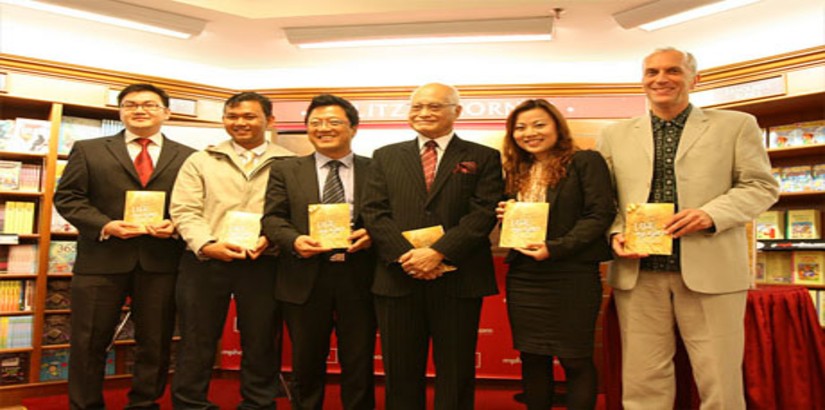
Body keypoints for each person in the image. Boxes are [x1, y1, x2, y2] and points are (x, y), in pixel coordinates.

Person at [596, 47, 779, 409]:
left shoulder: (736, 125)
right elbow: (604, 200)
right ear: (642, 81)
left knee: (719, 378)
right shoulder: (613, 134)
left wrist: (711, 214)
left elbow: (762, 186)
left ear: (695, 79)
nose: (660, 79)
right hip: (639, 271)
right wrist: (616, 232)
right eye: (651, 72)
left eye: (672, 71)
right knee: (643, 379)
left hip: (712, 270)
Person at [361, 83, 504, 410]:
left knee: (456, 370)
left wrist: (437, 252)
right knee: (400, 370)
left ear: (457, 111)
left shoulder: (482, 157)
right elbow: (374, 211)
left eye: (434, 106)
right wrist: (407, 257)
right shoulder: (385, 156)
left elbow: (483, 213)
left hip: (458, 278)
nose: (424, 113)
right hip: (398, 277)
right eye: (417, 106)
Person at [54, 83, 195, 410]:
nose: (140, 110)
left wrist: (175, 226)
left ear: (166, 112)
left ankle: (144, 404)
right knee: (89, 341)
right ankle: (85, 405)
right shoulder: (89, 149)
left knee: (155, 343)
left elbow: (194, 204)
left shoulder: (189, 157)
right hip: (101, 259)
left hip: (162, 262)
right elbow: (69, 198)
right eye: (131, 105)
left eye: (149, 104)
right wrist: (105, 225)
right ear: (120, 112)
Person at [169, 92, 294, 409]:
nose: (240, 122)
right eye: (232, 116)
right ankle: (189, 403)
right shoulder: (201, 159)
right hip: (205, 260)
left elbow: (293, 212)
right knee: (197, 338)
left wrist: (272, 238)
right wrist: (208, 245)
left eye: (249, 116)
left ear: (269, 121)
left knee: (262, 338)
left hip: (264, 261)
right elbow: (184, 210)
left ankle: (259, 403)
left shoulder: (290, 162)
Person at [498, 99, 615, 410]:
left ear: (557, 127)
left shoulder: (585, 161)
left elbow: (599, 214)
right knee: (532, 357)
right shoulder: (515, 169)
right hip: (525, 276)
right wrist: (504, 213)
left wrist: (556, 247)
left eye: (539, 124)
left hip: (572, 274)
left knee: (575, 358)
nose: (529, 133)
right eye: (520, 127)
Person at [262, 94, 376, 410]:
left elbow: (387, 217)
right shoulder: (286, 170)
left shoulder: (376, 168)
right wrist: (295, 240)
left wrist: (372, 234)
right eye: (315, 123)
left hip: (360, 274)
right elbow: (272, 218)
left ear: (353, 128)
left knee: (359, 359)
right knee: (306, 361)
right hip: (304, 275)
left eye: (333, 122)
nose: (323, 128)